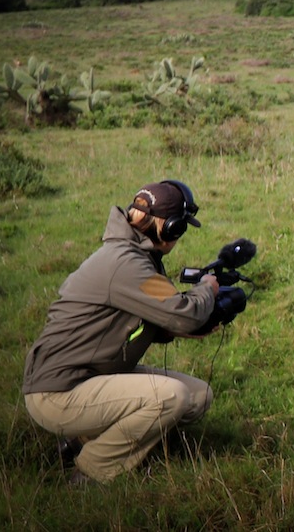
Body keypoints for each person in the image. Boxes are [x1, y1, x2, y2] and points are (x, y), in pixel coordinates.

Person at [22, 180, 219, 485]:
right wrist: (207, 290)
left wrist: (180, 326)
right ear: (170, 228)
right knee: (171, 397)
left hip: (86, 378)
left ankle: (79, 441)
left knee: (197, 396)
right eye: (181, 228)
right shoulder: (128, 264)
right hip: (58, 392)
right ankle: (90, 472)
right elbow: (186, 315)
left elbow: (153, 320)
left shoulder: (132, 257)